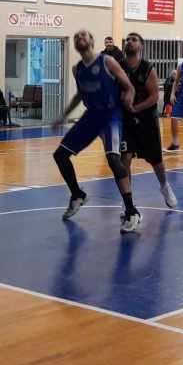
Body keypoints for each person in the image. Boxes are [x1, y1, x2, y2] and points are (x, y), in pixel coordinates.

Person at [52, 29, 137, 231]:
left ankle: (131, 211)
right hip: (91, 116)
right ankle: (77, 194)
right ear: (75, 45)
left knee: (114, 160)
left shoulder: (107, 61)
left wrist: (129, 97)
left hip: (111, 114)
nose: (79, 38)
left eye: (83, 35)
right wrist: (64, 115)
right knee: (60, 155)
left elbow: (129, 86)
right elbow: (80, 95)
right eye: (76, 37)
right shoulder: (77, 69)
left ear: (91, 40)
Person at [120, 32, 177, 209]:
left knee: (156, 160)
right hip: (127, 120)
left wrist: (136, 108)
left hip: (146, 119)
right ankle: (128, 201)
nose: (129, 42)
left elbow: (154, 97)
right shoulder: (119, 66)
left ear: (141, 46)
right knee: (125, 159)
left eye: (134, 40)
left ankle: (165, 186)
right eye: (127, 40)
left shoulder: (147, 68)